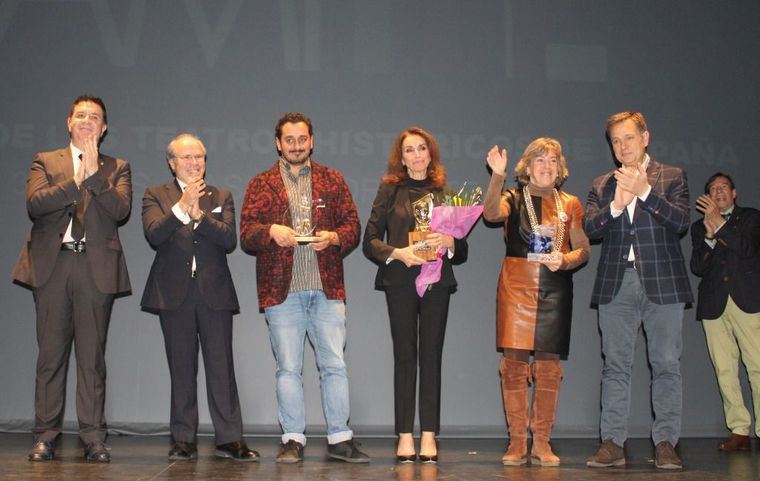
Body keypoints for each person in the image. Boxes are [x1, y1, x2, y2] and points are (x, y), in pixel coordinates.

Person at [239, 112, 368, 463]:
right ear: (278, 143)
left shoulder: (333, 179)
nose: (296, 146)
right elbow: (247, 233)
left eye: (302, 139)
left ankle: (340, 438)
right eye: (289, 140)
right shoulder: (260, 183)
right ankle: (292, 439)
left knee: (334, 366)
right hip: (282, 292)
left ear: (312, 141)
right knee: (287, 368)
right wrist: (269, 232)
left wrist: (335, 237)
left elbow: (353, 225)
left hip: (327, 290)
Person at [12, 95, 132, 462]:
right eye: (80, 115)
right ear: (69, 122)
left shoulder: (117, 166)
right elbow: (36, 204)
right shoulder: (46, 160)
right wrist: (76, 179)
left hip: (94, 267)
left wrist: (94, 176)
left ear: (104, 127)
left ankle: (93, 437)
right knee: (50, 356)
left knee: (92, 359)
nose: (86, 121)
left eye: (94, 117)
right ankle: (44, 436)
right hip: (53, 266)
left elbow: (120, 209)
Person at [141, 134, 258, 462]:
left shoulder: (221, 195)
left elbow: (228, 240)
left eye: (200, 157)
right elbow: (154, 233)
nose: (195, 163)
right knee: (181, 368)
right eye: (187, 157)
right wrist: (181, 208)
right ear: (171, 162)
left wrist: (199, 216)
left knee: (222, 367)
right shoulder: (156, 195)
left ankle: (230, 439)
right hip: (173, 293)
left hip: (214, 292)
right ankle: (183, 439)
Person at [584, 111, 692, 470]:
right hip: (617, 283)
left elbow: (680, 222)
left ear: (645, 137)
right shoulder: (602, 183)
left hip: (664, 283)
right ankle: (612, 442)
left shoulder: (671, 176)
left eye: (628, 138)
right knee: (615, 366)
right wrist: (616, 205)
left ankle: (665, 443)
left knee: (666, 364)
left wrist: (643, 192)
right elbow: (590, 228)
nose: (622, 146)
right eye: (615, 140)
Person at [363, 127, 469, 463]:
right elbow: (370, 241)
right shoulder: (389, 190)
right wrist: (399, 253)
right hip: (401, 281)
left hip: (437, 283)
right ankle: (405, 435)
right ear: (402, 157)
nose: (417, 155)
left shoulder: (446, 193)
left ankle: (429, 435)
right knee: (405, 357)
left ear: (431, 154)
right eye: (410, 150)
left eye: (422, 148)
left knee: (432, 356)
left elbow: (462, 249)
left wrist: (453, 244)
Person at [483, 138, 589, 466]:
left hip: (555, 288)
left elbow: (583, 248)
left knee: (548, 368)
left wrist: (565, 260)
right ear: (527, 168)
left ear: (560, 168)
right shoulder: (513, 197)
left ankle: (541, 441)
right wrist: (497, 176)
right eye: (540, 160)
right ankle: (517, 442)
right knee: (513, 367)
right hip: (516, 285)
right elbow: (489, 213)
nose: (547, 166)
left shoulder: (570, 203)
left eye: (553, 161)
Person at [690, 172, 760, 452]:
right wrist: (708, 237)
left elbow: (748, 249)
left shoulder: (752, 218)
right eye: (712, 189)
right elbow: (698, 267)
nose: (718, 192)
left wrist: (719, 225)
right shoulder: (699, 227)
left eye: (723, 188)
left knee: (757, 366)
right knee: (725, 369)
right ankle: (739, 429)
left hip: (748, 301)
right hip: (714, 304)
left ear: (734, 193)